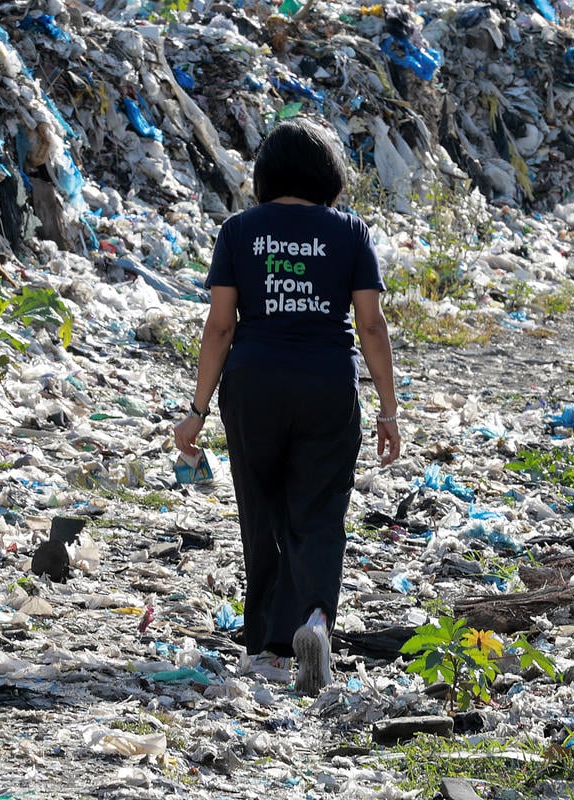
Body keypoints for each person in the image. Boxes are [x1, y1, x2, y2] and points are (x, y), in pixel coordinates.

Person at [173, 119, 401, 696]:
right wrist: (389, 409)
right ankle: (317, 619)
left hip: (253, 385)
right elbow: (370, 325)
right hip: (327, 383)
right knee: (319, 512)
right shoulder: (350, 231)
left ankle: (271, 653)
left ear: (265, 175)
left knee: (263, 514)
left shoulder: (239, 231)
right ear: (328, 175)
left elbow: (220, 327)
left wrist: (197, 410)